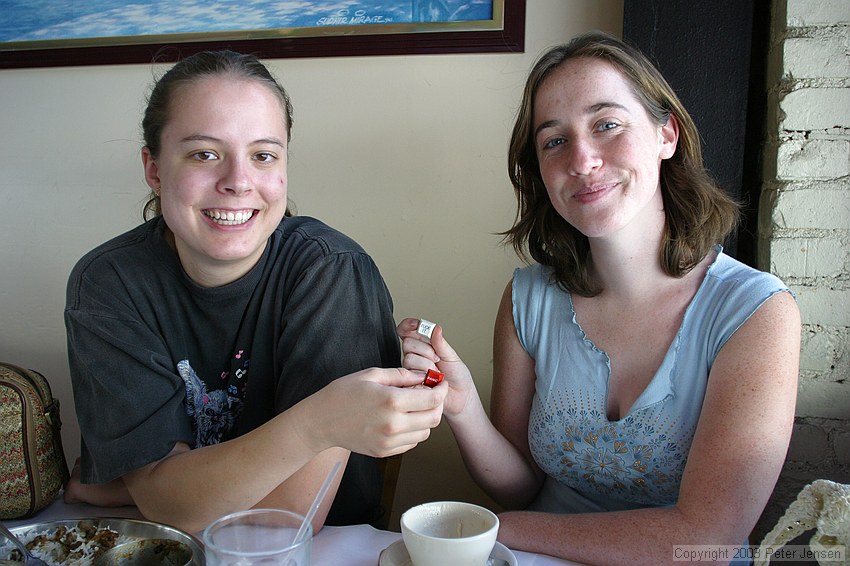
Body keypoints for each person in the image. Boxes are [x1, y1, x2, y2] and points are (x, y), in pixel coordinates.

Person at [398, 31, 800, 565]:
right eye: (554, 140)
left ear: (666, 134)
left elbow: (706, 540)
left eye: (607, 124)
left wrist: (492, 532)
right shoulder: (527, 299)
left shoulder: (756, 313)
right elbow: (518, 485)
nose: (582, 160)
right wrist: (463, 405)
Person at [63, 50, 447, 535]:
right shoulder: (109, 283)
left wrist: (140, 488)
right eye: (205, 154)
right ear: (155, 169)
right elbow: (170, 507)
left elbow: (287, 519)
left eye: (263, 155)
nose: (238, 182)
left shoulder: (331, 272)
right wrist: (317, 423)